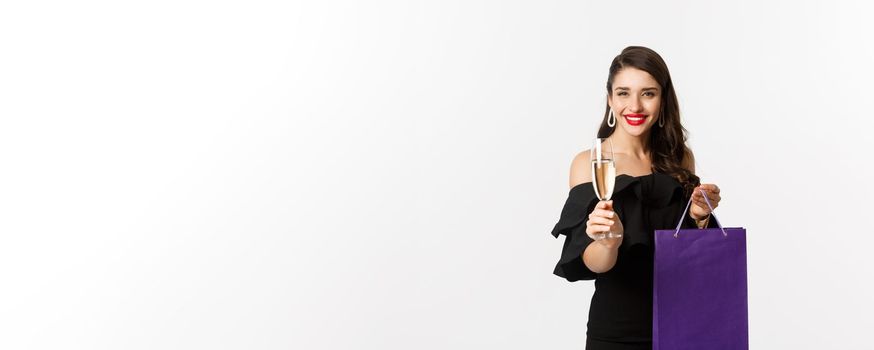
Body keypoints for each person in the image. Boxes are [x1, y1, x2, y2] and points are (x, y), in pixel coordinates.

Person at [550, 46, 723, 350]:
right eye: (623, 93)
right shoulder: (589, 163)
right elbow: (593, 264)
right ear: (610, 100)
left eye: (647, 93)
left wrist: (698, 215)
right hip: (618, 332)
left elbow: (688, 252)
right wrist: (608, 241)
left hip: (684, 323)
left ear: (662, 99)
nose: (634, 106)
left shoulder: (680, 158)